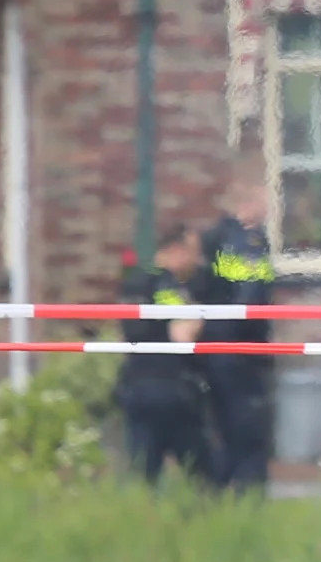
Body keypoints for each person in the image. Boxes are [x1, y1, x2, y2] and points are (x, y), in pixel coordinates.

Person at [199, 167, 280, 496]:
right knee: (250, 431)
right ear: (249, 201)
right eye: (265, 199)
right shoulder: (248, 242)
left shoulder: (212, 237)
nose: (270, 207)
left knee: (225, 426)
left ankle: (216, 495)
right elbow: (250, 298)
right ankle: (248, 498)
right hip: (241, 351)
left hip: (215, 349)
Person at [114, 225, 213, 486]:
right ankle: (208, 519)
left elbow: (126, 332)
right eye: (193, 252)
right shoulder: (167, 285)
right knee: (204, 473)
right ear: (176, 250)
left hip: (136, 387)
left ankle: (146, 520)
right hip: (171, 389)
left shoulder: (133, 281)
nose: (198, 260)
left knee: (144, 474)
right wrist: (198, 314)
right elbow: (184, 333)